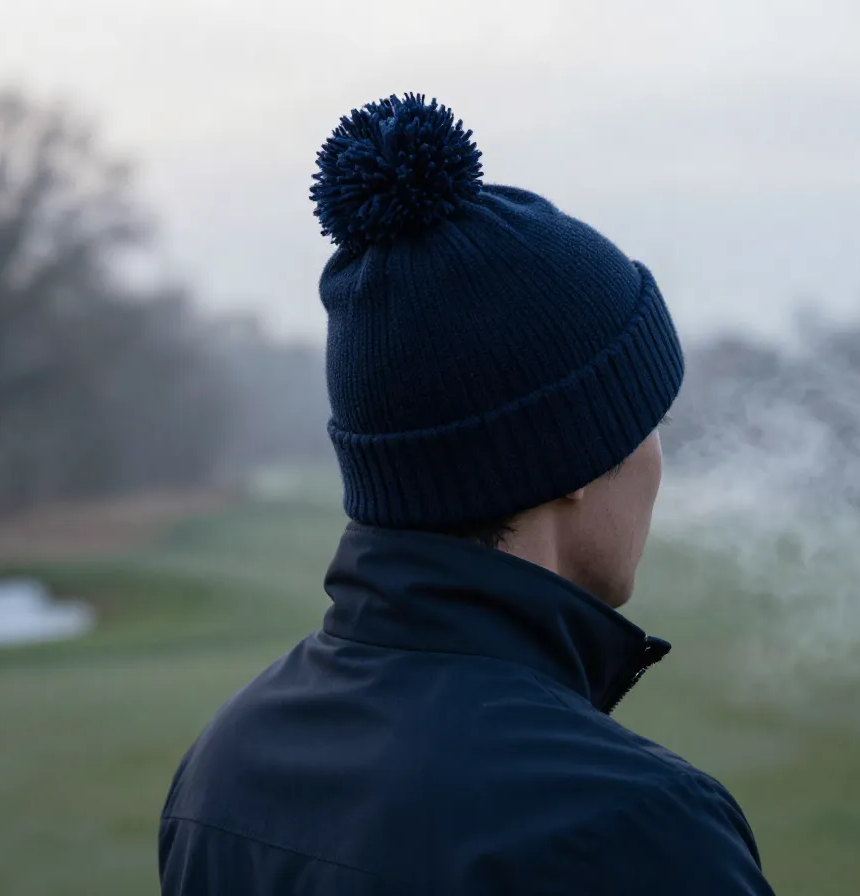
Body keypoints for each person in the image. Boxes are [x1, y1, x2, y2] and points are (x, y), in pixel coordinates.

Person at [159, 93, 775, 895]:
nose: (659, 460)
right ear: (578, 461)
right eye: (647, 421)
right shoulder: (638, 831)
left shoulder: (223, 763)